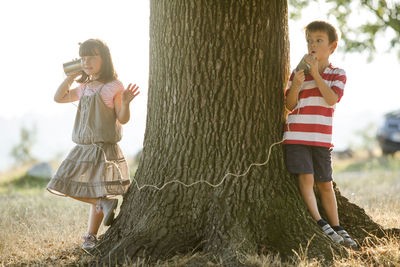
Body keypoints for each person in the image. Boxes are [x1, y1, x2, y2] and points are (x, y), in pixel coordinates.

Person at [46, 39, 140, 251]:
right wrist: (70, 77)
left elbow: (122, 119)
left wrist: (125, 103)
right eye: (82, 57)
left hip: (102, 148)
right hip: (82, 147)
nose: (85, 61)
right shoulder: (84, 87)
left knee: (87, 188)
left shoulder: (112, 86)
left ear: (104, 59)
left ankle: (90, 235)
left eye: (91, 57)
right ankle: (103, 203)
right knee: (62, 183)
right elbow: (58, 97)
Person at [283, 21, 357, 248]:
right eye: (309, 41)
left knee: (325, 182)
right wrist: (296, 84)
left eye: (318, 40)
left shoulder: (338, 74)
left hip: (321, 138)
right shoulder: (298, 72)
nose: (312, 45)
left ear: (332, 46)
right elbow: (289, 104)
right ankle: (319, 221)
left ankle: (337, 226)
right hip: (297, 136)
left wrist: (316, 74)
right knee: (306, 178)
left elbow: (332, 98)